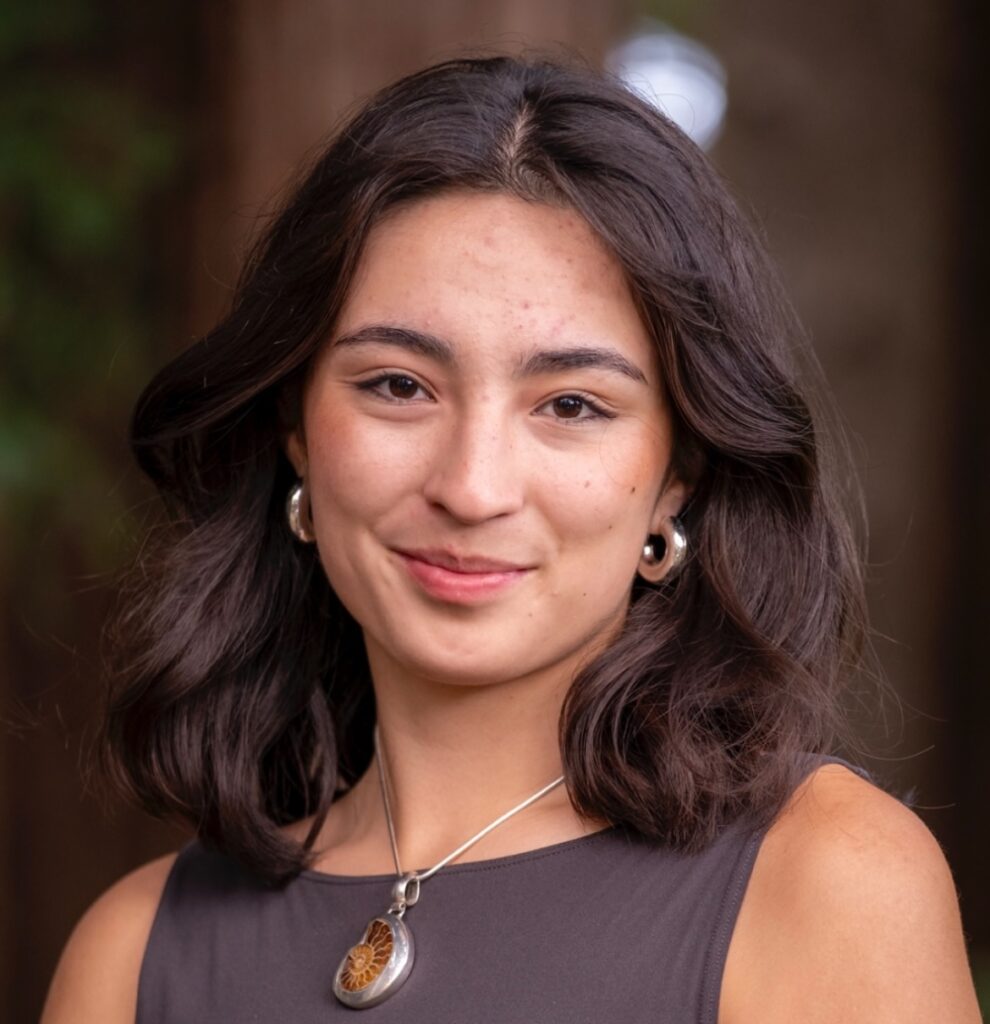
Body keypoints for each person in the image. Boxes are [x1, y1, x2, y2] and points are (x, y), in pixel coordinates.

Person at [42, 54, 980, 1023]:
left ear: (679, 476)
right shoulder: (133, 954)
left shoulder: (827, 878)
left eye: (571, 404)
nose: (472, 486)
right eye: (398, 385)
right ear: (296, 431)